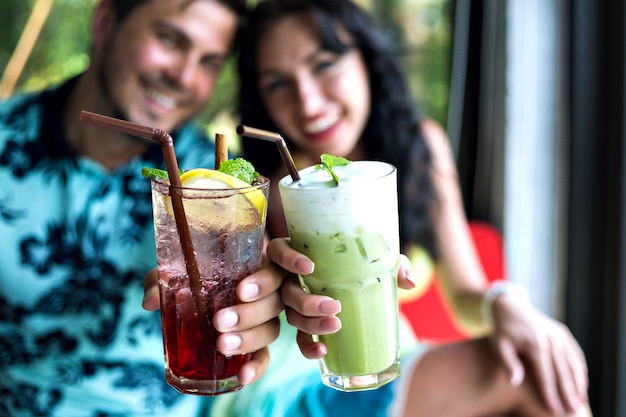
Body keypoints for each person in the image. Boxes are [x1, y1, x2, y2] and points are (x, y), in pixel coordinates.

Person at [235, 0, 593, 416]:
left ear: (367, 60)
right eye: (278, 84)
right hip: (298, 381)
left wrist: (508, 303)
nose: (309, 102)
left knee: (542, 374)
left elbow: (464, 295)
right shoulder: (280, 186)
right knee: (534, 379)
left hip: (392, 363)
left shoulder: (420, 149)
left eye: (324, 64)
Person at [0, 0, 304, 415]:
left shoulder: (217, 179)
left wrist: (255, 307)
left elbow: (257, 276)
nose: (183, 76)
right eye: (169, 39)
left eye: (209, 62)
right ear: (105, 21)